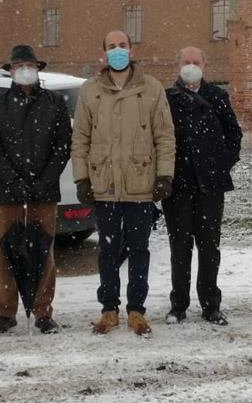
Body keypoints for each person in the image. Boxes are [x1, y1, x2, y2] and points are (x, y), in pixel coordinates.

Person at [71, 29, 175, 337]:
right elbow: (80, 138)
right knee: (107, 250)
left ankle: (136, 310)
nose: (118, 50)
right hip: (105, 184)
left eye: (123, 45)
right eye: (112, 46)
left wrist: (164, 175)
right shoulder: (91, 90)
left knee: (139, 250)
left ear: (131, 50)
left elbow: (164, 136)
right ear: (103, 53)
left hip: (140, 183)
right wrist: (82, 178)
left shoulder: (151, 88)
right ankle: (109, 309)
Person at [0, 45, 72, 335]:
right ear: (11, 71)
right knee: (5, 253)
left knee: (44, 253)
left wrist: (44, 180)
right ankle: (5, 313)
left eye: (29, 65)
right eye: (19, 66)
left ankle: (43, 312)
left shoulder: (54, 103)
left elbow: (62, 146)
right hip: (7, 193)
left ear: (38, 68)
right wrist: (12, 179)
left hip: (44, 193)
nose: (25, 71)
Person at [163, 47, 242, 326]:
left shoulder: (217, 96)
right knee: (180, 248)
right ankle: (178, 305)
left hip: (210, 186)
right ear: (178, 64)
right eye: (186, 62)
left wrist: (222, 165)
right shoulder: (167, 98)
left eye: (196, 62)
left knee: (209, 247)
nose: (191, 66)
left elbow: (233, 134)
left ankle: (211, 304)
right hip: (178, 186)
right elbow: (160, 137)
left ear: (205, 65)